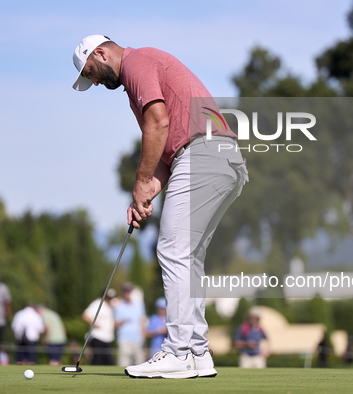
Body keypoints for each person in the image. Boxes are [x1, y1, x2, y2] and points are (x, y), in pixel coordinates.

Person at [71, 33, 247, 379]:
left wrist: (139, 182)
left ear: (101, 53)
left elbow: (158, 123)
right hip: (215, 158)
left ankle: (177, 351)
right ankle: (197, 352)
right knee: (189, 256)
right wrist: (147, 189)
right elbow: (166, 147)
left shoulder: (137, 62)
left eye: (90, 71)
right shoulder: (139, 75)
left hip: (204, 154)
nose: (92, 80)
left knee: (172, 250)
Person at [114, 282, 146, 367]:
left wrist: (143, 336)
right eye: (125, 291)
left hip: (138, 339)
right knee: (123, 364)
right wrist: (122, 322)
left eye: (129, 290)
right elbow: (115, 324)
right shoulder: (119, 305)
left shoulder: (139, 305)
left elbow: (142, 321)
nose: (127, 293)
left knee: (140, 364)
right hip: (124, 339)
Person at [82, 288, 117, 365]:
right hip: (98, 337)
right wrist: (95, 324)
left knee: (109, 362)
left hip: (107, 338)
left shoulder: (110, 306)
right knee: (97, 361)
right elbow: (85, 315)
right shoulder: (97, 304)